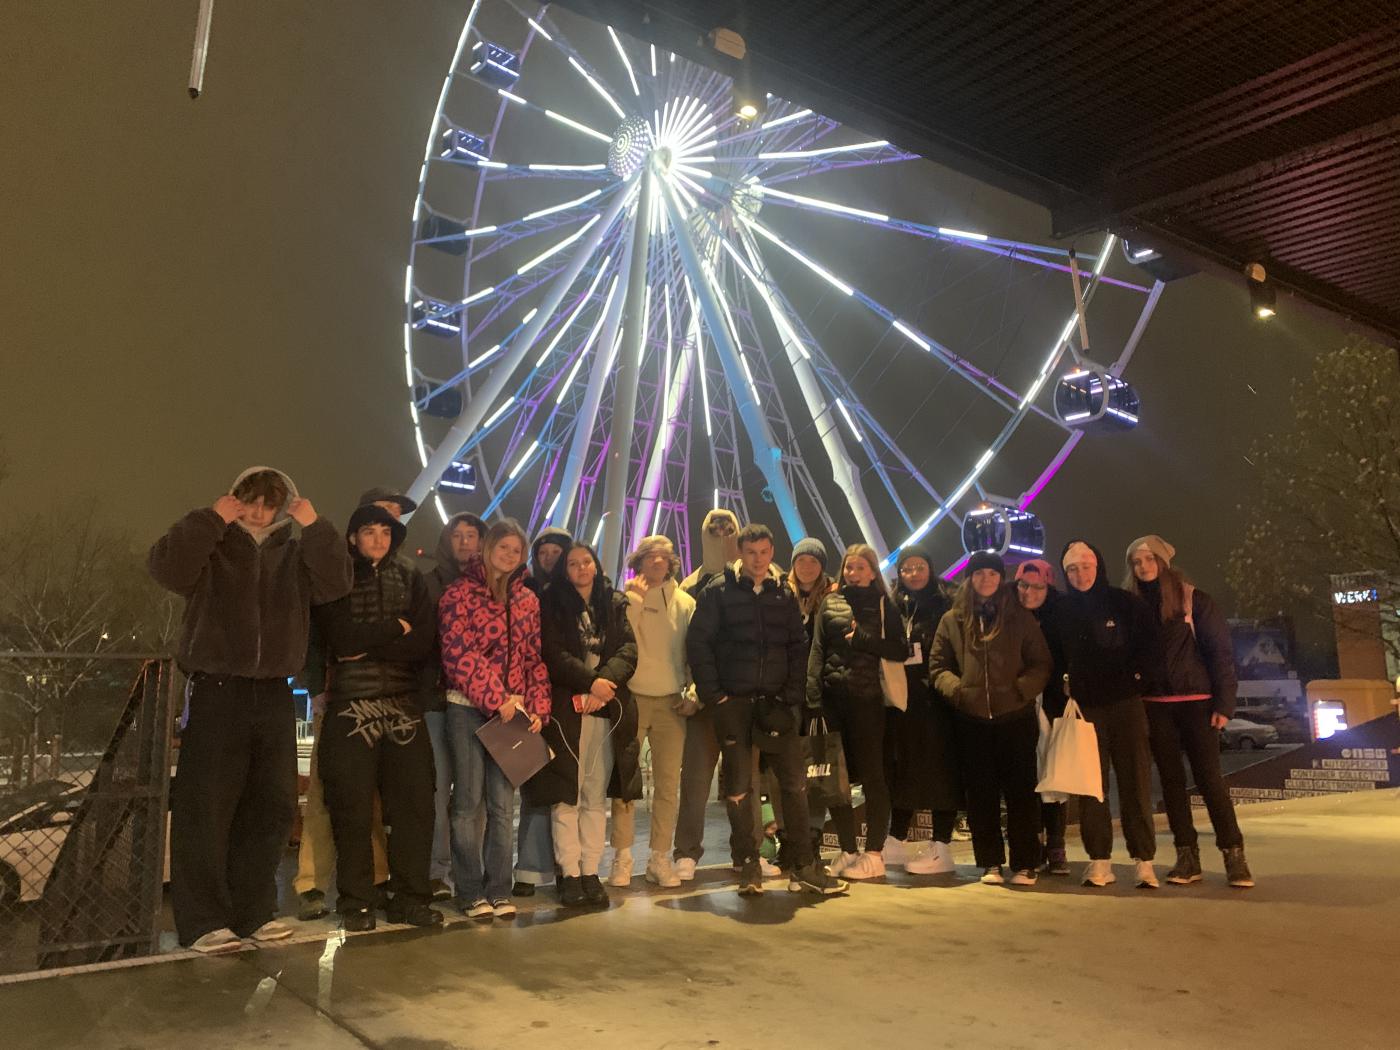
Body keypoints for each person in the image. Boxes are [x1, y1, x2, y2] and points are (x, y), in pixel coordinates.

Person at [149, 466, 352, 953]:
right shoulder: (215, 545)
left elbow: (337, 583)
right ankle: (202, 922)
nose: (260, 513)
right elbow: (167, 569)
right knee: (208, 808)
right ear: (236, 499)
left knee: (271, 806)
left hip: (276, 692)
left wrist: (316, 525)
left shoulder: (296, 553)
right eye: (252, 501)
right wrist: (209, 519)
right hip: (218, 687)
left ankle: (253, 911)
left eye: (270, 503)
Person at [687, 523, 847, 897]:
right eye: (750, 552)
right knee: (740, 787)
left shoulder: (782, 595)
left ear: (771, 552)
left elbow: (797, 646)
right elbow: (699, 644)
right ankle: (748, 864)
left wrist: (790, 695)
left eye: (763, 552)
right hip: (734, 703)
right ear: (739, 553)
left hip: (776, 703)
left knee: (794, 783)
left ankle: (803, 865)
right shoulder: (717, 592)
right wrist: (716, 696)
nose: (758, 560)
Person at [313, 505, 440, 930]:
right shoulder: (337, 579)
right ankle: (356, 901)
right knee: (350, 809)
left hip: (403, 703)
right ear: (352, 538)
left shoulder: (411, 577)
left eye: (385, 531)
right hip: (351, 703)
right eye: (369, 531)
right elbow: (338, 637)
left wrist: (368, 645)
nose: (379, 539)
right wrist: (394, 629)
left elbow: (424, 641)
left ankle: (410, 896)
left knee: (415, 806)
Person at [1125, 535, 1253, 888]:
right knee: (1171, 785)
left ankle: (1234, 854)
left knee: (1211, 781)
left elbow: (1220, 654)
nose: (1143, 567)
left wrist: (1224, 704)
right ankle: (1187, 856)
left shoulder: (1194, 600)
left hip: (1197, 703)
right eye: (1136, 562)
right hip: (1155, 706)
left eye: (1149, 560)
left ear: (1163, 563)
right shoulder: (1132, 606)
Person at [439, 518, 551, 919]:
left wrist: (537, 708)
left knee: (504, 806)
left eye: (516, 550)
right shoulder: (459, 595)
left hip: (512, 714)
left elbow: (533, 658)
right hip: (467, 708)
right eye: (502, 547)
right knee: (468, 802)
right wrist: (495, 696)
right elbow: (458, 653)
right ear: (487, 549)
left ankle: (499, 889)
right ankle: (469, 890)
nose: (509, 555)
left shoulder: (527, 601)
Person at [930, 551, 1052, 885]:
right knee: (980, 794)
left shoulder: (1019, 618)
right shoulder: (952, 619)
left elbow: (1041, 662)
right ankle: (990, 863)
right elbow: (938, 666)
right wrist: (959, 692)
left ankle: (1026, 862)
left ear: (1001, 579)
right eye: (980, 573)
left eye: (993, 574)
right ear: (970, 578)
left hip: (1014, 716)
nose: (986, 579)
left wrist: (1020, 691)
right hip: (971, 720)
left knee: (1021, 793)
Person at [1043, 539, 1158, 889]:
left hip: (1126, 704)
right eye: (1072, 569)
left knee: (1135, 780)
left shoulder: (1125, 604)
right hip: (1085, 707)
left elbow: (1151, 647)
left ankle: (1144, 860)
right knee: (1091, 787)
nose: (1080, 575)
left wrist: (1137, 680)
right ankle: (1099, 859)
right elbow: (1051, 658)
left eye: (1086, 567)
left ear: (1099, 566)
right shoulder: (1060, 611)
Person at [530, 543, 638, 907]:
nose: (581, 568)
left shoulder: (614, 602)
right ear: (564, 570)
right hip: (567, 709)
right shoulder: (552, 603)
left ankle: (591, 869)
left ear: (596, 564)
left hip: (605, 708)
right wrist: (589, 682)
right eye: (572, 563)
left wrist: (604, 685)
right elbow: (552, 653)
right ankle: (569, 873)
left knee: (594, 794)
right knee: (566, 793)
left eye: (586, 561)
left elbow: (627, 650)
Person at [807, 544, 909, 880]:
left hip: (868, 702)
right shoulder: (829, 602)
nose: (854, 573)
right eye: (849, 567)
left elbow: (899, 649)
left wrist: (865, 639)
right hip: (834, 702)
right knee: (834, 780)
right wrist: (814, 696)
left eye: (861, 567)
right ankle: (849, 849)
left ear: (872, 572)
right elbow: (818, 650)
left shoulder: (884, 605)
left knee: (873, 777)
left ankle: (875, 852)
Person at [673, 507, 764, 879]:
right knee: (695, 779)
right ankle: (687, 852)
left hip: (744, 699)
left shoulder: (760, 580)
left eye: (729, 527)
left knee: (747, 781)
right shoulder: (687, 587)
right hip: (703, 699)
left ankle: (749, 851)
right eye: (715, 527)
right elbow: (681, 646)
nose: (722, 533)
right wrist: (690, 688)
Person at [608, 535, 695, 890]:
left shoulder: (686, 603)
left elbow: (694, 653)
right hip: (632, 698)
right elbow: (618, 642)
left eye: (663, 557)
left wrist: (694, 691)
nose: (657, 562)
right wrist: (635, 601)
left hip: (671, 701)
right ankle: (622, 856)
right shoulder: (625, 600)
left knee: (668, 786)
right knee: (625, 784)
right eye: (650, 557)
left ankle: (660, 856)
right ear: (638, 562)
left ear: (672, 562)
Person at [420, 511, 486, 899]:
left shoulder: (494, 587)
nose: (464, 542)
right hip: (435, 699)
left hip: (478, 703)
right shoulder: (429, 585)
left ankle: (468, 869)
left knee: (471, 795)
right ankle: (437, 868)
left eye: (472, 535)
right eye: (457, 535)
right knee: (436, 787)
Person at [887, 545, 960, 874]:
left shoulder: (948, 601)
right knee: (903, 768)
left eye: (919, 567)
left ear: (930, 568)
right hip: (903, 698)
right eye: (906, 569)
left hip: (939, 699)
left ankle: (941, 844)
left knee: (942, 768)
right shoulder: (892, 605)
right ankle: (896, 838)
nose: (913, 574)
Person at [1013, 559, 1070, 875]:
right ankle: (1031, 842)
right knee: (1025, 778)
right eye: (1024, 585)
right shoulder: (1006, 616)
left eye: (1037, 587)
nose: (1029, 592)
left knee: (1053, 775)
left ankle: (1057, 843)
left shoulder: (1060, 619)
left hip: (1051, 704)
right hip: (1019, 704)